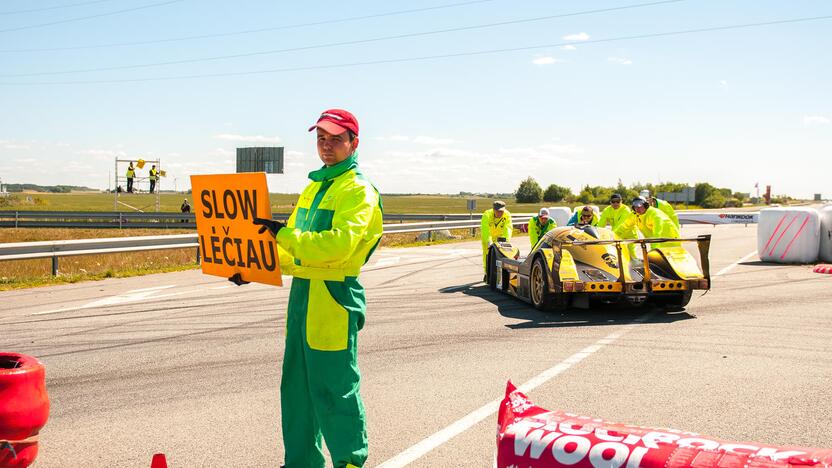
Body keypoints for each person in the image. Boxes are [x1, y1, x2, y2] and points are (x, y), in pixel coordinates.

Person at [238, 109, 382, 468]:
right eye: (321, 138)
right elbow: (296, 254)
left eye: (335, 139)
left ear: (354, 143)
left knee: (335, 388)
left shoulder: (358, 191)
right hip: (303, 295)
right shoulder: (314, 187)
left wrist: (283, 234)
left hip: (333, 297)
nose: (327, 146)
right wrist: (254, 266)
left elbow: (336, 247)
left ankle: (350, 461)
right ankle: (301, 462)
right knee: (297, 392)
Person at [615, 196, 680, 250]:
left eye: (640, 206)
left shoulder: (654, 214)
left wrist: (654, 249)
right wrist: (612, 236)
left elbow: (657, 233)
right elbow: (623, 227)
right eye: (635, 207)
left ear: (645, 205)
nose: (637, 208)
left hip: (670, 240)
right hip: (657, 242)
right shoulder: (634, 215)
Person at [598, 193, 637, 258]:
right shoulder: (606, 210)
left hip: (629, 234)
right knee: (617, 253)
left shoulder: (626, 210)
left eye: (618, 201)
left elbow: (620, 226)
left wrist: (611, 236)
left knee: (632, 254)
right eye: (613, 202)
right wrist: (597, 234)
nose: (615, 203)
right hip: (617, 234)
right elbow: (601, 225)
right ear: (610, 202)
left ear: (621, 201)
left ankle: (636, 264)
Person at [481, 200, 513, 276]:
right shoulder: (487, 215)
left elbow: (508, 229)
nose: (500, 213)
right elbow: (485, 230)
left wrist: (505, 241)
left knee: (502, 253)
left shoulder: (507, 215)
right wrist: (489, 242)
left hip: (500, 237)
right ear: (494, 210)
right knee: (487, 253)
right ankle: (487, 272)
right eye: (498, 211)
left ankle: (501, 272)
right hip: (489, 236)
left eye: (502, 211)